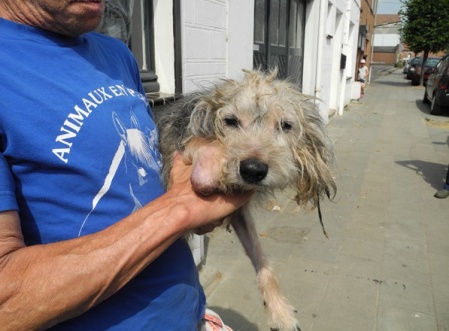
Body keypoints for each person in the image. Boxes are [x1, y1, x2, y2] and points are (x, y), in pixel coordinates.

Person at [0, 1, 251, 330]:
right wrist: (177, 212)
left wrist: (186, 184)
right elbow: (8, 303)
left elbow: (135, 169)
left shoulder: (115, 54)